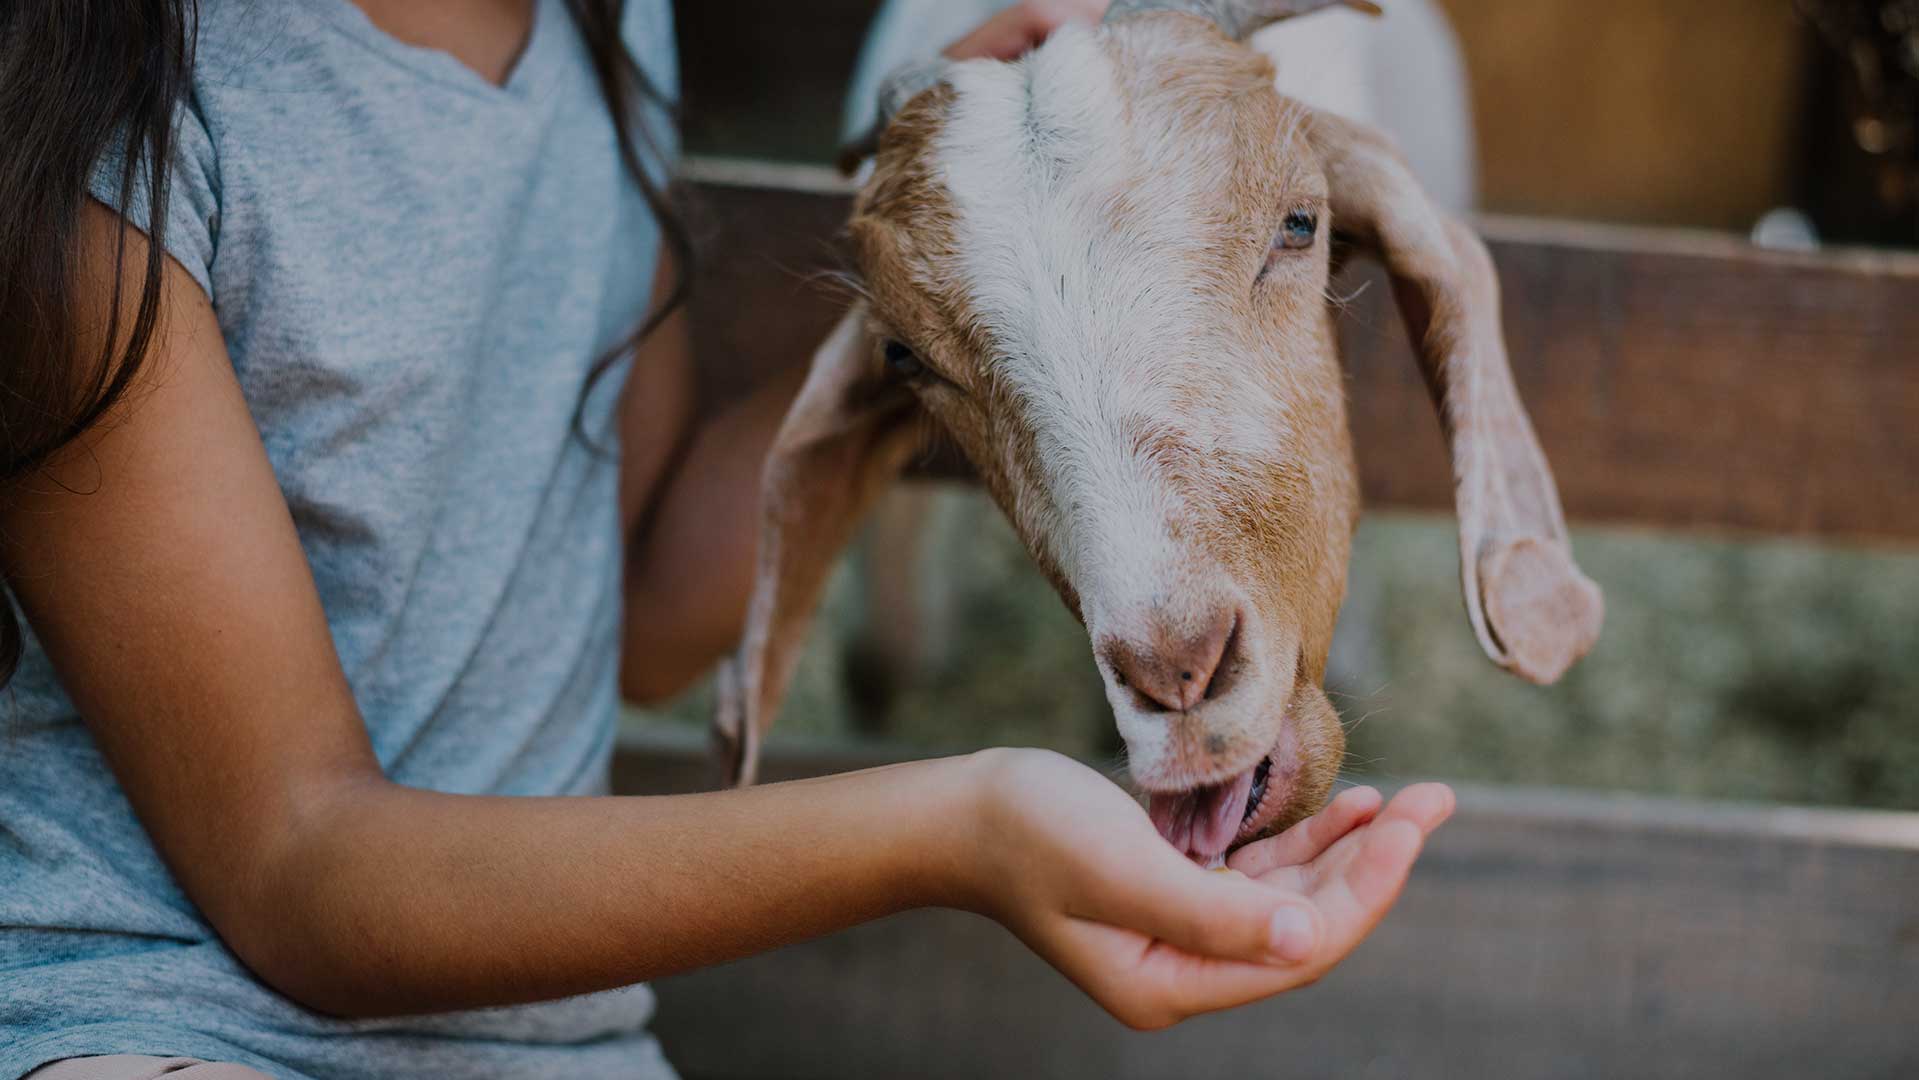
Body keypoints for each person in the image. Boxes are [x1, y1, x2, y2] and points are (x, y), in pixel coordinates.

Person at [0, 1, 1456, 1077]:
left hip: (551, 1057)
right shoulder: (92, 120)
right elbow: (296, 871)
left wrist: (976, 276)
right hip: (158, 1025)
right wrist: (961, 826)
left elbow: (633, 605)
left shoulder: (595, 23)